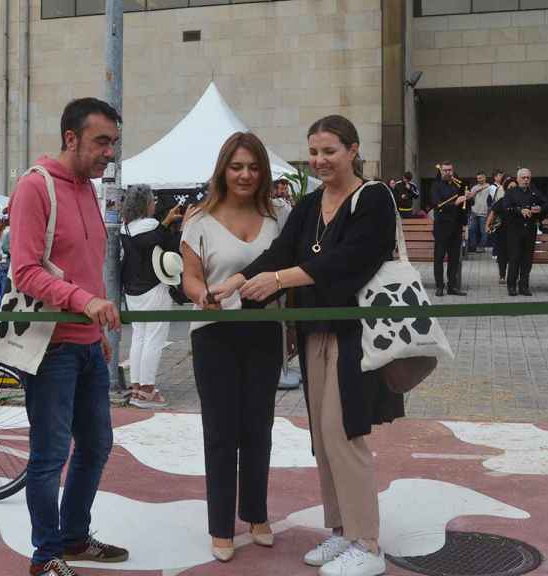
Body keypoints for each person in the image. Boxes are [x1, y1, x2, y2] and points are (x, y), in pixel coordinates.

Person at [212, 115, 400, 576]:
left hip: (355, 333)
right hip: (315, 330)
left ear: (353, 150)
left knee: (346, 433)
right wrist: (235, 281)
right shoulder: (311, 203)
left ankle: (368, 544)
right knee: (323, 437)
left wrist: (277, 281)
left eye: (330, 151)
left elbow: (349, 260)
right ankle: (341, 532)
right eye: (313, 152)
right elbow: (280, 252)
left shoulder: (373, 198)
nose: (319, 160)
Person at [8, 97, 128, 576]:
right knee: (49, 455)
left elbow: (87, 267)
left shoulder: (86, 189)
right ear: (71, 138)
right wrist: (86, 304)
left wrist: (94, 323)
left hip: (84, 346)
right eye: (102, 141)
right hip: (50, 348)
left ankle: (74, 538)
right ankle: (46, 556)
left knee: (96, 446)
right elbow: (25, 271)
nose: (110, 153)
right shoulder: (36, 188)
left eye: (114, 143)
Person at [177, 132, 288, 563]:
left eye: (253, 166)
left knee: (259, 426)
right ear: (223, 169)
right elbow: (189, 277)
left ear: (263, 172)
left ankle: (257, 514)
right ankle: (221, 525)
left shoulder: (280, 214)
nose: (245, 174)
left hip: (265, 331)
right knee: (221, 432)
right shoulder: (200, 219)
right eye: (237, 166)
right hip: (214, 334)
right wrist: (199, 293)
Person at [120, 184, 183, 409]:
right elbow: (164, 242)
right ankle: (147, 390)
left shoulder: (125, 227)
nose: (154, 204)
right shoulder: (151, 225)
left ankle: (137, 386)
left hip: (132, 291)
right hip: (153, 288)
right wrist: (167, 223)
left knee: (139, 336)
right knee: (154, 338)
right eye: (152, 201)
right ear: (146, 204)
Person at [428, 162, 469, 296]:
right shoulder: (436, 186)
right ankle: (439, 286)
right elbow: (436, 204)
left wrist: (468, 198)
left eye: (450, 170)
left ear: (453, 170)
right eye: (445, 170)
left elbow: (465, 204)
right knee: (439, 258)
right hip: (441, 227)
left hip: (456, 227)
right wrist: (454, 203)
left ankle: (452, 286)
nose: (447, 172)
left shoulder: (458, 185)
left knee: (454, 259)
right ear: (441, 171)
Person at [502, 168, 542, 297]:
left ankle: (524, 286)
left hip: (530, 230)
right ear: (518, 179)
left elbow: (546, 205)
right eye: (523, 178)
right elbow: (506, 207)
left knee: (527, 260)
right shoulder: (511, 192)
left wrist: (539, 209)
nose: (526, 180)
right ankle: (511, 286)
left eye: (528, 178)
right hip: (515, 230)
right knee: (514, 259)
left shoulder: (534, 192)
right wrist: (520, 211)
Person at [485, 195, 508, 284]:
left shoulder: (520, 199)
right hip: (502, 231)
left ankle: (514, 276)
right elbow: (493, 213)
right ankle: (502, 275)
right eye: (510, 187)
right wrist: (487, 224)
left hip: (515, 231)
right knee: (502, 255)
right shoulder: (502, 200)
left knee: (515, 255)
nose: (512, 189)